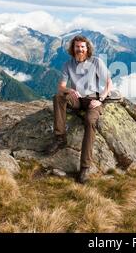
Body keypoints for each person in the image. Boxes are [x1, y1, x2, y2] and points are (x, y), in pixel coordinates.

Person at [48, 35, 112, 184]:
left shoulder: (96, 62)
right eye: (77, 47)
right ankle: (60, 138)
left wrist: (100, 99)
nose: (80, 49)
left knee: (90, 121)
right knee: (58, 97)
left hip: (93, 100)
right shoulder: (68, 64)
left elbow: (109, 83)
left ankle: (85, 167)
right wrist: (69, 90)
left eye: (83, 47)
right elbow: (61, 87)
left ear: (87, 48)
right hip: (77, 99)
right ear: (73, 48)